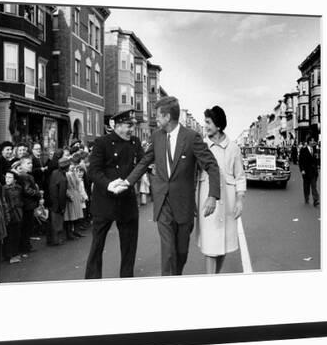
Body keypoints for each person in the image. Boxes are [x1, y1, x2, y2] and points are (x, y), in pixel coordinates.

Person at [121, 96, 220, 276]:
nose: (156, 118)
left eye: (158, 115)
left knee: (181, 253)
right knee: (168, 252)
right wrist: (127, 182)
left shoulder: (191, 138)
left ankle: (177, 276)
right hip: (163, 202)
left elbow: (212, 165)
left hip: (183, 206)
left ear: (167, 117)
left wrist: (213, 195)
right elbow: (145, 161)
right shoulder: (157, 136)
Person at [85, 109, 145, 279]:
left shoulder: (135, 142)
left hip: (127, 201)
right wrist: (109, 184)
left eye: (132, 126)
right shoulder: (102, 142)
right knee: (97, 246)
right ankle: (92, 281)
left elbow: (142, 164)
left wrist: (131, 181)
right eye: (128, 126)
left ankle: (126, 279)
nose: (132, 129)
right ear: (117, 126)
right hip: (105, 201)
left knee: (129, 247)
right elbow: (93, 171)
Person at [196, 106, 246, 274]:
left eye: (208, 122)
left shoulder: (233, 148)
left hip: (229, 201)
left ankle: (215, 276)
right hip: (207, 199)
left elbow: (239, 177)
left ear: (218, 125)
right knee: (210, 245)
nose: (205, 125)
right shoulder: (201, 146)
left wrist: (239, 200)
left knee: (223, 245)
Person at [17, 156, 42, 254]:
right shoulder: (25, 176)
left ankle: (26, 246)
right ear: (22, 165)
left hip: (27, 204)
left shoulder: (25, 175)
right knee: (27, 227)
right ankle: (25, 247)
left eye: (31, 163)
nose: (30, 165)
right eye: (28, 163)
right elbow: (27, 190)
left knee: (27, 227)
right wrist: (37, 193)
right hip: (28, 205)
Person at [2, 170, 25, 264]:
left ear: (15, 180)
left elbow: (21, 198)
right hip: (9, 214)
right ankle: (9, 255)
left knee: (16, 234)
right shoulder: (4, 189)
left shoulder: (19, 188)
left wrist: (20, 205)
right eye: (6, 177)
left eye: (10, 177)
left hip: (18, 213)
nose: (7, 179)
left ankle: (15, 253)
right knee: (10, 236)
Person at [48, 156, 70, 246]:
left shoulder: (54, 173)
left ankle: (52, 239)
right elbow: (62, 195)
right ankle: (56, 240)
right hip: (58, 203)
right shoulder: (63, 179)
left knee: (52, 222)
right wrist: (62, 207)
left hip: (52, 200)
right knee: (58, 223)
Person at [64, 158, 84, 239]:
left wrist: (80, 195)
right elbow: (66, 187)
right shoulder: (67, 175)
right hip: (71, 196)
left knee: (77, 215)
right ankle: (70, 234)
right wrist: (69, 195)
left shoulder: (73, 173)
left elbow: (78, 185)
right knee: (71, 216)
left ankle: (76, 231)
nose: (72, 167)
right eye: (71, 166)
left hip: (76, 194)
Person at [299, 134, 320, 207]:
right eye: (312, 140)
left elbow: (316, 160)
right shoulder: (303, 150)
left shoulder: (315, 149)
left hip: (313, 172)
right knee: (306, 186)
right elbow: (300, 161)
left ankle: (316, 200)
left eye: (314, 140)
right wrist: (302, 170)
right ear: (308, 142)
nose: (313, 141)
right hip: (306, 172)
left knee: (314, 186)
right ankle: (306, 197)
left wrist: (317, 168)